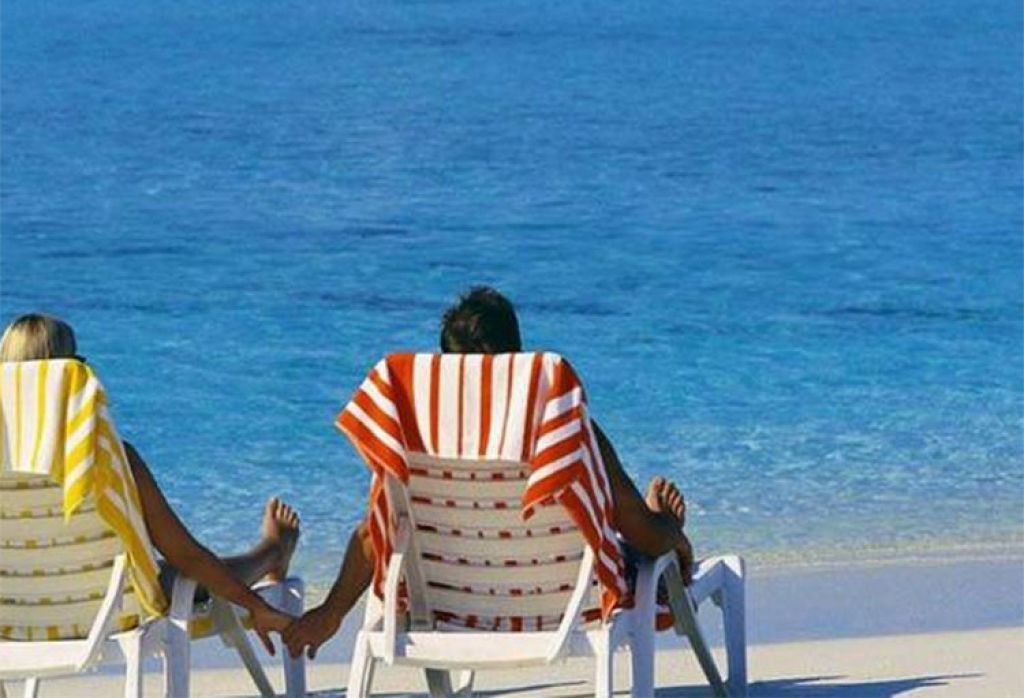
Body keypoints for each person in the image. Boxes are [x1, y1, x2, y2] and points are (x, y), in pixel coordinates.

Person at [283, 286, 694, 660]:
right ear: (518, 356)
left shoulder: (416, 440)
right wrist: (675, 535)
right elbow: (640, 529)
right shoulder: (562, 426)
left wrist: (331, 612)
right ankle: (668, 528)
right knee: (637, 548)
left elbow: (374, 533)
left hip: (452, 608)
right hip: (570, 606)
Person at [0, 313, 301, 653]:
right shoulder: (112, 460)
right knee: (181, 574)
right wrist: (256, 605)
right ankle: (271, 551)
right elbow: (187, 556)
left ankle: (272, 552)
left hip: (14, 621)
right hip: (116, 613)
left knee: (173, 573)